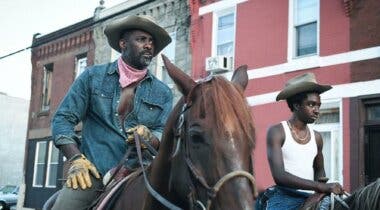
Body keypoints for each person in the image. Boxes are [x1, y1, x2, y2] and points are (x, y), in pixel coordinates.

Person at [50, 15, 173, 210]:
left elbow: (164, 132)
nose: (149, 45)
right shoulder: (92, 77)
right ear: (123, 43)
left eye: (151, 41)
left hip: (140, 175)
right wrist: (76, 159)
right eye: (141, 39)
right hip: (94, 172)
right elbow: (62, 120)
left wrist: (150, 136)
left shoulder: (164, 92)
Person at [256, 73, 344, 210]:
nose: (317, 111)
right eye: (311, 105)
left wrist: (322, 188)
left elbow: (319, 170)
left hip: (311, 198)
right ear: (296, 105)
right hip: (284, 197)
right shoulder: (277, 131)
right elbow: (280, 176)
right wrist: (321, 186)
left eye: (318, 105)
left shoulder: (317, 137)